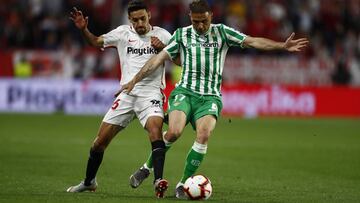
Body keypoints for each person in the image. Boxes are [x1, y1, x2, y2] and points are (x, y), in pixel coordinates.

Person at [121, 0, 309, 199]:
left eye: (203, 21)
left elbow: (252, 41)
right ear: (190, 19)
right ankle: (146, 168)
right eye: (195, 22)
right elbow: (158, 59)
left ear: (211, 15)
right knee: (174, 132)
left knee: (203, 135)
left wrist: (282, 45)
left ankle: (183, 184)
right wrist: (135, 80)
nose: (200, 26)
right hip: (185, 92)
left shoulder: (222, 32)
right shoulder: (182, 34)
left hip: (210, 97)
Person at [66, 0, 173, 198]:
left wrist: (164, 48)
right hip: (126, 94)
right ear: (129, 20)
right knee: (98, 144)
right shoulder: (123, 33)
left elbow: (181, 59)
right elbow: (96, 41)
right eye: (135, 20)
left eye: (142, 18)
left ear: (149, 15)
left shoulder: (163, 35)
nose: (139, 23)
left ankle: (158, 181)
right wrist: (84, 30)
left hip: (151, 94)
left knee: (155, 130)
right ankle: (89, 182)